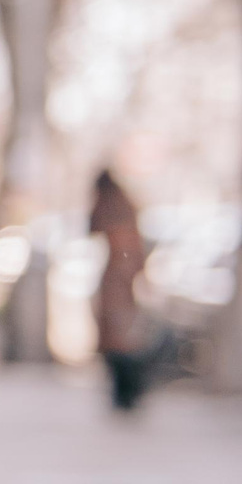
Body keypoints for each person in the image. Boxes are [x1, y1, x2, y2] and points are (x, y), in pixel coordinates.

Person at [90, 169, 152, 413]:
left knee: (120, 337)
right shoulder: (122, 203)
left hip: (120, 280)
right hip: (121, 278)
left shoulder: (113, 206)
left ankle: (127, 391)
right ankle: (125, 392)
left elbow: (97, 227)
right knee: (119, 335)